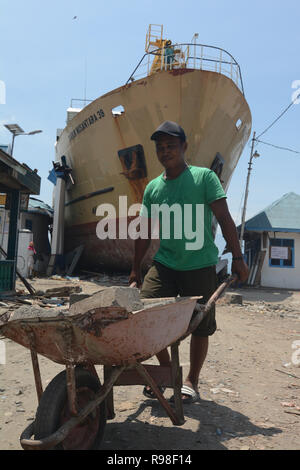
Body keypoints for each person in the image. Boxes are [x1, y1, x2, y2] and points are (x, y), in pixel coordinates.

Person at [129, 120, 249, 403]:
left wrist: (238, 257)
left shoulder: (204, 178)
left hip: (200, 264)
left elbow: (224, 218)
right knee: (144, 315)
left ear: (184, 147)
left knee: (200, 324)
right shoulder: (153, 188)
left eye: (171, 145)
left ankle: (191, 381)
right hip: (165, 264)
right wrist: (135, 269)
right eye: (160, 147)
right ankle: (168, 370)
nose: (165, 151)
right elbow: (144, 232)